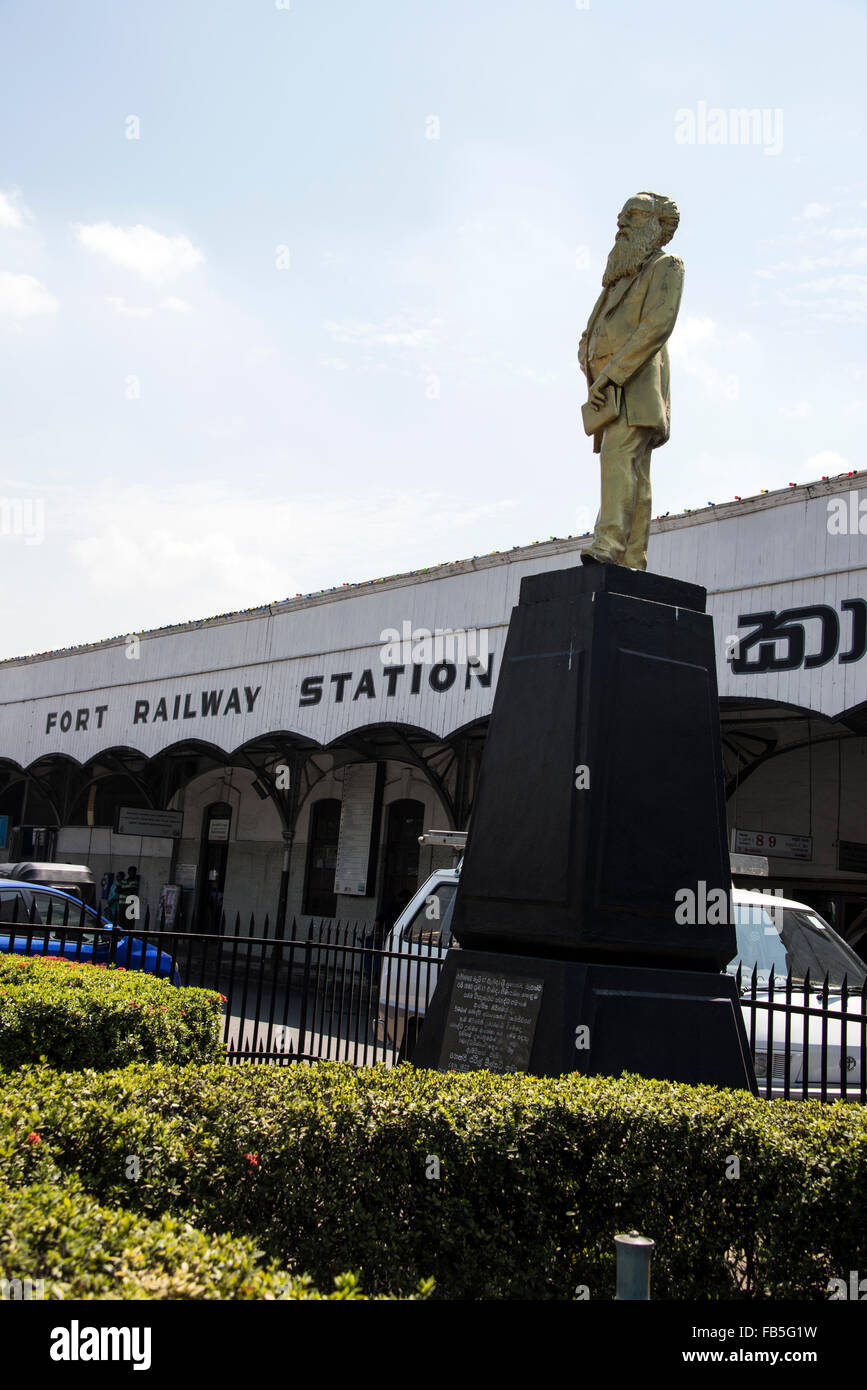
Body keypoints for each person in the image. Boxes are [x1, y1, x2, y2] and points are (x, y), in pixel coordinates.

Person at [578, 191, 683, 570]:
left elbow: (657, 325)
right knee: (634, 468)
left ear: (658, 226)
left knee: (619, 457)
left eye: (633, 215)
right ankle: (632, 557)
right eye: (621, 215)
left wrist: (613, 372)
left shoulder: (665, 266)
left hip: (634, 386)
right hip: (608, 391)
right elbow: (596, 328)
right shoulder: (618, 278)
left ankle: (608, 543)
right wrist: (585, 353)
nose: (621, 224)